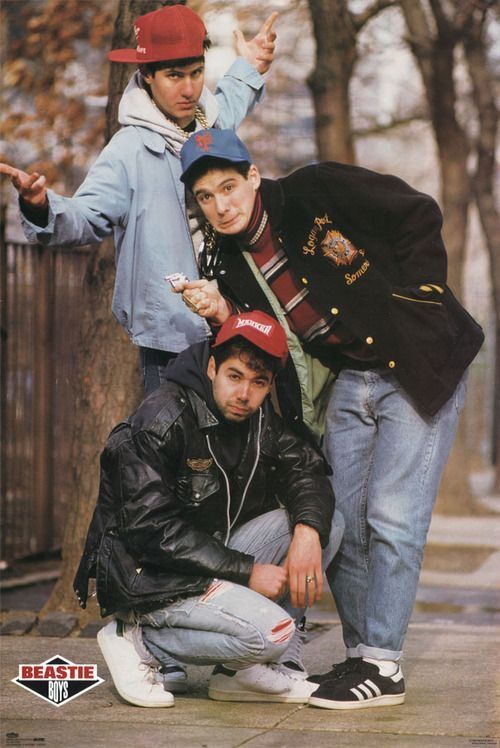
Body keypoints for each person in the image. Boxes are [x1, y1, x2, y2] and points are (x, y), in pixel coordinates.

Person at [174, 128, 485, 709]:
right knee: (342, 518)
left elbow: (417, 211)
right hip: (352, 378)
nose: (222, 204)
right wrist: (222, 312)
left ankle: (385, 664)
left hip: (418, 363)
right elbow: (269, 349)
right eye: (207, 197)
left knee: (394, 516)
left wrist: (418, 298)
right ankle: (361, 655)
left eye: (229, 186)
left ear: (254, 177)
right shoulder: (228, 264)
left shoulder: (316, 190)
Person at [0, 3, 277, 393]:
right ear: (146, 75)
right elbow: (86, 217)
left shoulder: (209, 124)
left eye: (197, 73)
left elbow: (230, 97)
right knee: (175, 448)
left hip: (234, 322)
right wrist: (39, 205)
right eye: (174, 75)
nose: (188, 88)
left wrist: (249, 64)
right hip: (174, 338)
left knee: (238, 449)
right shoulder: (129, 150)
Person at [73, 309, 344, 708]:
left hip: (209, 558)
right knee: (274, 633)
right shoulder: (163, 418)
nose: (244, 394)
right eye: (235, 376)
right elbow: (150, 530)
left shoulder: (258, 418)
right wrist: (247, 571)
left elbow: (306, 468)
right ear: (213, 367)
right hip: (153, 578)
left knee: (323, 526)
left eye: (258, 383)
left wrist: (307, 532)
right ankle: (139, 642)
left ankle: (242, 674)